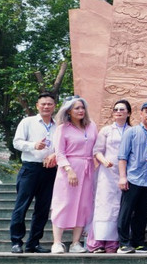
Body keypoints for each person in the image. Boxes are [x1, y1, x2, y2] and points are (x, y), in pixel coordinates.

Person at [10, 92, 57, 254]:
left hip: (50, 170)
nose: (46, 106)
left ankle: (33, 243)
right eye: (43, 104)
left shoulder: (58, 125)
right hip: (30, 168)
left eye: (49, 104)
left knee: (43, 209)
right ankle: (16, 241)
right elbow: (16, 142)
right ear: (37, 106)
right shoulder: (28, 122)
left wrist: (55, 154)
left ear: (54, 106)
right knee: (21, 206)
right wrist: (33, 145)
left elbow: (63, 146)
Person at [50, 96, 98, 253]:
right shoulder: (62, 128)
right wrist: (69, 170)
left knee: (84, 205)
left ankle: (75, 242)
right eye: (77, 108)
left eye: (82, 108)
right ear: (69, 111)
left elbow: (97, 148)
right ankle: (57, 242)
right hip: (68, 169)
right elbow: (60, 152)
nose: (80, 111)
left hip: (87, 169)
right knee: (63, 203)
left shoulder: (92, 127)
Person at [117, 101, 147, 254]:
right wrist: (123, 177)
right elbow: (122, 156)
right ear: (141, 113)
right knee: (126, 211)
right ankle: (123, 243)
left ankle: (138, 242)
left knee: (142, 213)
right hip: (133, 177)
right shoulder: (131, 132)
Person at [88, 100, 131, 254]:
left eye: (122, 109)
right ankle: (98, 242)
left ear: (128, 113)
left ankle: (113, 242)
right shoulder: (106, 130)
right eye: (116, 109)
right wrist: (103, 160)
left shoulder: (132, 131)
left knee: (119, 207)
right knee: (104, 205)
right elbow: (97, 150)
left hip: (124, 174)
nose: (118, 112)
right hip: (107, 173)